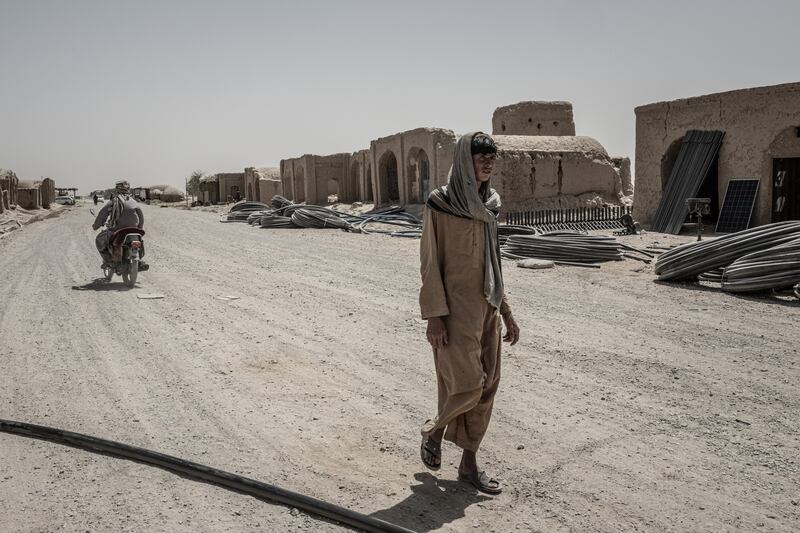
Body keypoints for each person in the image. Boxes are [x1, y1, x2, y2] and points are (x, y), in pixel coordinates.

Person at [418, 132, 520, 495]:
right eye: (481, 157)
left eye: (492, 157)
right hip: (454, 312)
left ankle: (469, 465)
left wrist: (506, 311)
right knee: (467, 384)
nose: (488, 163)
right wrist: (434, 315)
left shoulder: (490, 204)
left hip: (487, 309)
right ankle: (434, 429)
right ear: (465, 160)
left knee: (488, 387)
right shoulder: (440, 204)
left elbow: (494, 264)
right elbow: (430, 263)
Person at [92, 180, 145, 268]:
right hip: (134, 231)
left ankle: (107, 260)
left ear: (117, 189)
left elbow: (102, 214)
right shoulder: (134, 202)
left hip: (117, 231)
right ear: (128, 189)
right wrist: (139, 228)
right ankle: (141, 259)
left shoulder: (113, 201)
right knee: (139, 240)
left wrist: (96, 226)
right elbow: (141, 217)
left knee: (99, 239)